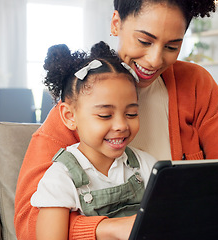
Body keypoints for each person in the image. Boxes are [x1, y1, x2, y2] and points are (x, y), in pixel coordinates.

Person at [15, 0, 218, 239]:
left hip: (192, 225)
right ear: (116, 23)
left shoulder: (195, 83)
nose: (154, 60)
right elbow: (28, 223)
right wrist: (110, 227)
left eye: (172, 47)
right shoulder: (76, 110)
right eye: (144, 41)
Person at [30, 41, 157, 240]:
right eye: (105, 115)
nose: (121, 125)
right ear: (70, 116)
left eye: (131, 114)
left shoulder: (146, 166)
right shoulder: (60, 178)